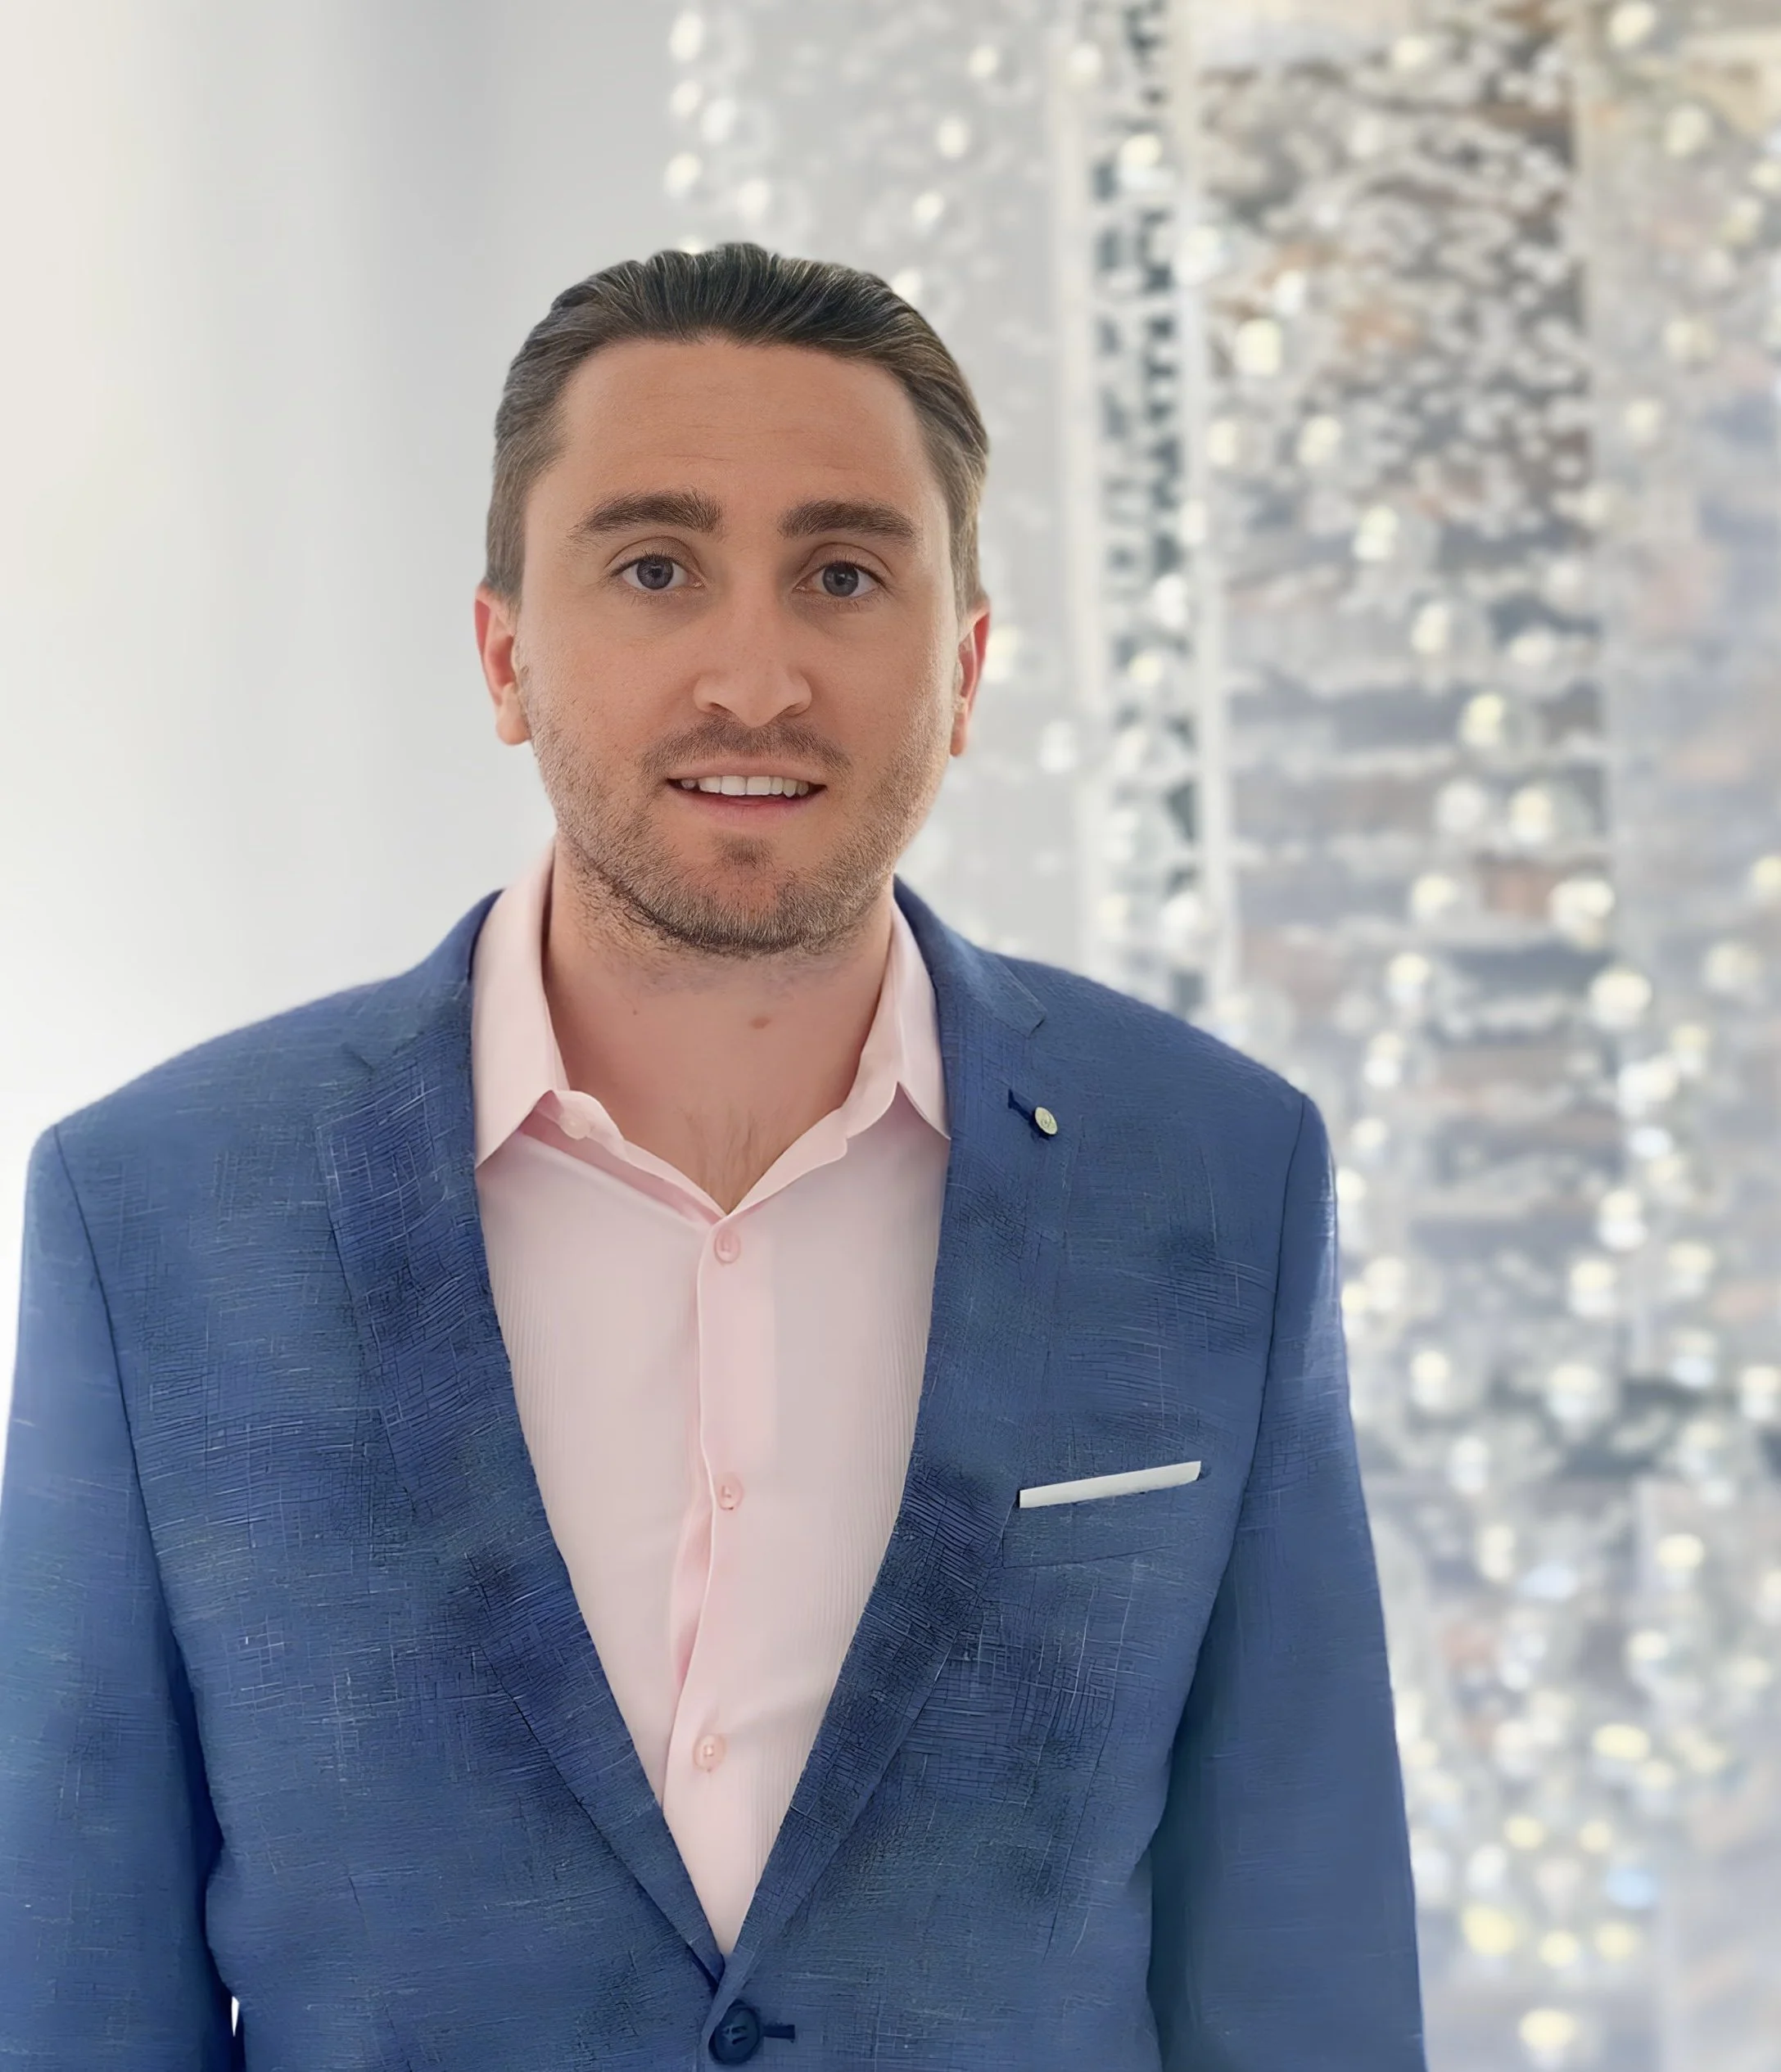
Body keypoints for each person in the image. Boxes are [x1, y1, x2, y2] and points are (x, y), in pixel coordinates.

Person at [0, 242, 1425, 2070]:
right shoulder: (157, 1214)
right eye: (655, 567)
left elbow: (1299, 1977)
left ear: (967, 662)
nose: (754, 676)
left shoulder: (1220, 1176)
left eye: (842, 573)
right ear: (506, 650)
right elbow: (71, 1996)